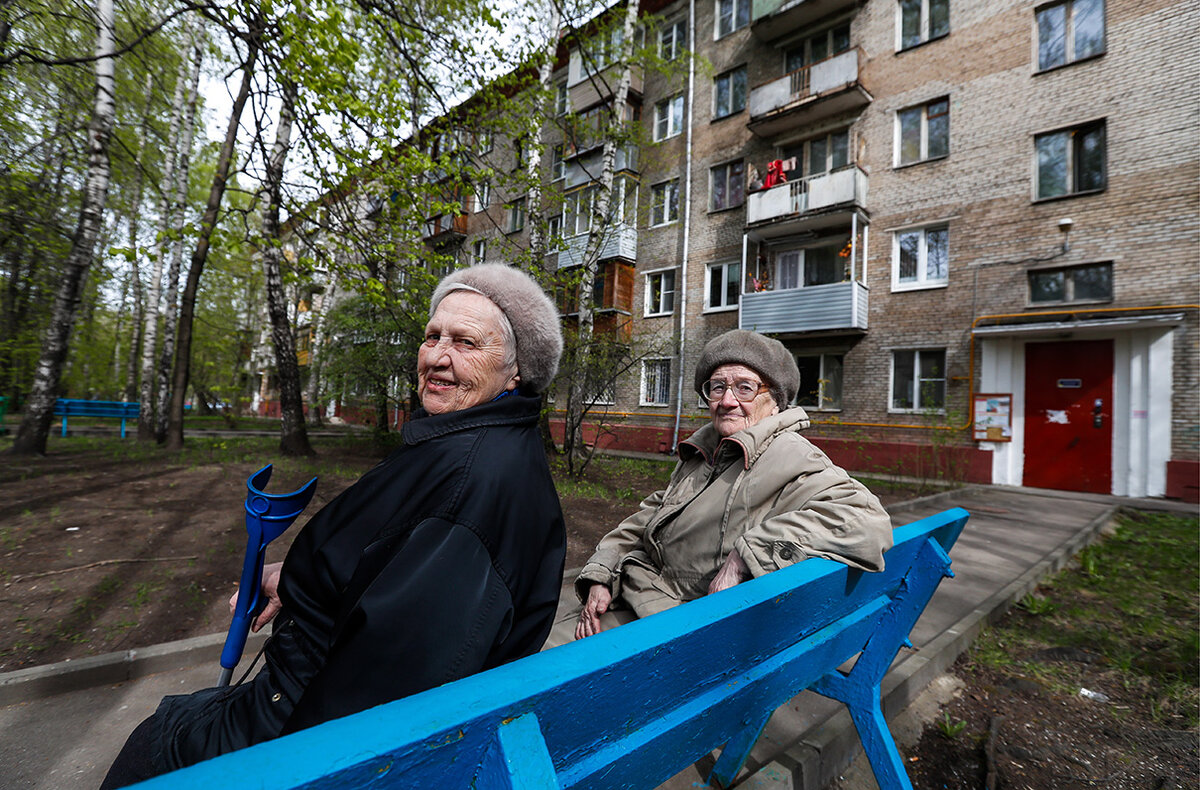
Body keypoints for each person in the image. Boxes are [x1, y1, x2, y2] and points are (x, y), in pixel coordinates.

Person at [101, 264, 566, 787]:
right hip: (305, 692)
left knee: (155, 741)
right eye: (433, 336)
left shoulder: (473, 483)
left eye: (466, 343)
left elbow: (384, 692)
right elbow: (386, 570)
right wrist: (298, 582)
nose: (438, 356)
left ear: (516, 371)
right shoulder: (477, 446)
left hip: (303, 728)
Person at [556, 329, 892, 644]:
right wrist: (603, 571)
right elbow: (652, 515)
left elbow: (867, 522)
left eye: (744, 388)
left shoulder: (788, 455)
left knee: (534, 662)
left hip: (681, 625)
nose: (727, 400)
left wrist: (746, 555)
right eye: (717, 387)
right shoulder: (709, 452)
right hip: (645, 597)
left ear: (774, 400)